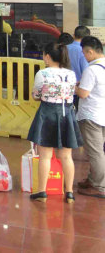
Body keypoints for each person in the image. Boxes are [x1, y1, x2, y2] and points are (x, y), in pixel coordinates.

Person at [27, 42, 82, 203]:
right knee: (66, 156)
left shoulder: (42, 73)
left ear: (48, 57)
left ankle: (42, 192)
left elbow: (36, 95)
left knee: (45, 156)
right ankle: (69, 193)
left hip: (48, 114)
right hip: (67, 114)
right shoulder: (71, 74)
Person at [76, 36, 105, 199]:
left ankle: (99, 186)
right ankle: (93, 179)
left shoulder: (91, 70)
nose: (84, 56)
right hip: (102, 113)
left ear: (91, 52)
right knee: (98, 150)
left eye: (84, 53)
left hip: (91, 116)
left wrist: (74, 87)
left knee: (95, 153)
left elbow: (83, 93)